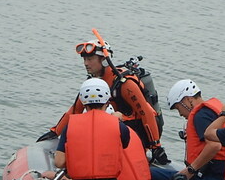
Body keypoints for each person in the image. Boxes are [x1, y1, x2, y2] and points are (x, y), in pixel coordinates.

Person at [37, 38, 169, 165]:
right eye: (84, 59)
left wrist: (156, 146)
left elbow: (146, 113)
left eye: (90, 59)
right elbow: (76, 109)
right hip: (118, 126)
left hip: (138, 128)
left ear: (104, 61)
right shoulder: (94, 83)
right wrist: (55, 132)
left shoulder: (125, 84)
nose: (86, 63)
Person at [52, 78, 166, 180]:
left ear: (82, 101)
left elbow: (59, 162)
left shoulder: (70, 126)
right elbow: (123, 144)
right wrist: (116, 121)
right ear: (108, 101)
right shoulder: (118, 126)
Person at [151, 79, 225, 180]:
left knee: (150, 175)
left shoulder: (201, 115)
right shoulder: (213, 111)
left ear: (188, 99)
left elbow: (215, 145)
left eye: (178, 108)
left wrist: (190, 171)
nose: (180, 114)